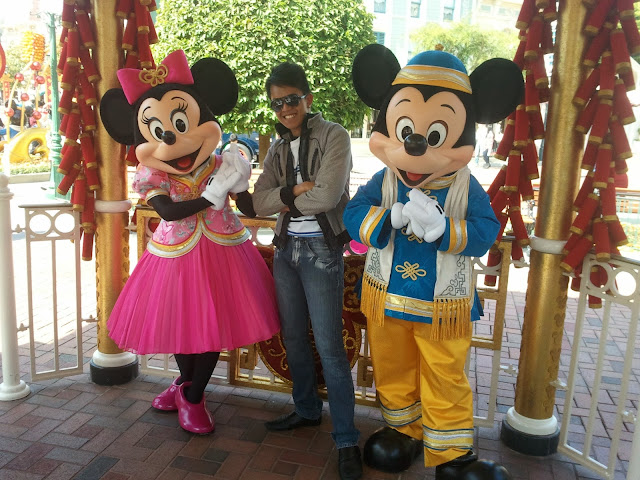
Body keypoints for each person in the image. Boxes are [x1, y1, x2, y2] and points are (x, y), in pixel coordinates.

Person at [348, 44, 523, 479]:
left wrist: (444, 229)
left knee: (444, 373)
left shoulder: (464, 185)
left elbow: (485, 231)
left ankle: (451, 453)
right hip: (388, 299)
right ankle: (403, 431)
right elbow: (354, 213)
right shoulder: (384, 180)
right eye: (405, 129)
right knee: (392, 366)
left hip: (441, 306)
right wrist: (386, 218)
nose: (414, 145)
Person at [99, 50, 280, 435]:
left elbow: (247, 206)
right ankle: (187, 389)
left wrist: (244, 182)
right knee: (183, 325)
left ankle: (191, 393)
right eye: (158, 130)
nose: (173, 137)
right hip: (175, 256)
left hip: (225, 252)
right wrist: (210, 197)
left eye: (181, 123)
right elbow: (166, 212)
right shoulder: (152, 173)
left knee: (213, 327)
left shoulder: (221, 163)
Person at [236, 61, 362, 480]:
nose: (285, 108)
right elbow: (259, 202)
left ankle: (346, 438)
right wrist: (293, 190)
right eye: (277, 103)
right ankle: (307, 409)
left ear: (307, 98)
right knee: (292, 336)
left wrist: (286, 197)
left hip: (322, 250)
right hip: (286, 248)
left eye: (291, 99)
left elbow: (327, 196)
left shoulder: (334, 135)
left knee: (329, 345)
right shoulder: (276, 148)